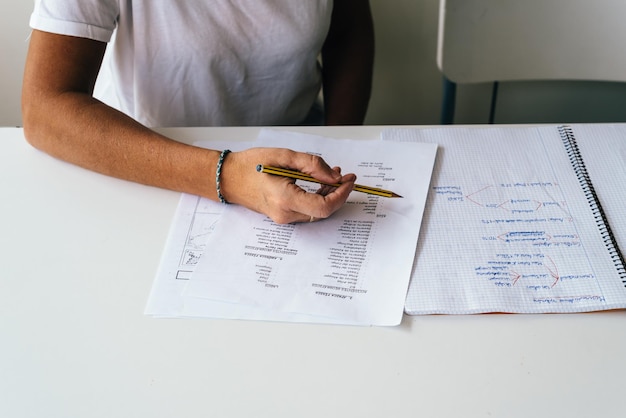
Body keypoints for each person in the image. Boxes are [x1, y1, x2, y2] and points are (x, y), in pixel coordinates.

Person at [22, 0, 374, 224]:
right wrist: (228, 177)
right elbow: (45, 107)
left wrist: (340, 140)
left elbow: (348, 29)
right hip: (143, 157)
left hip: (294, 151)